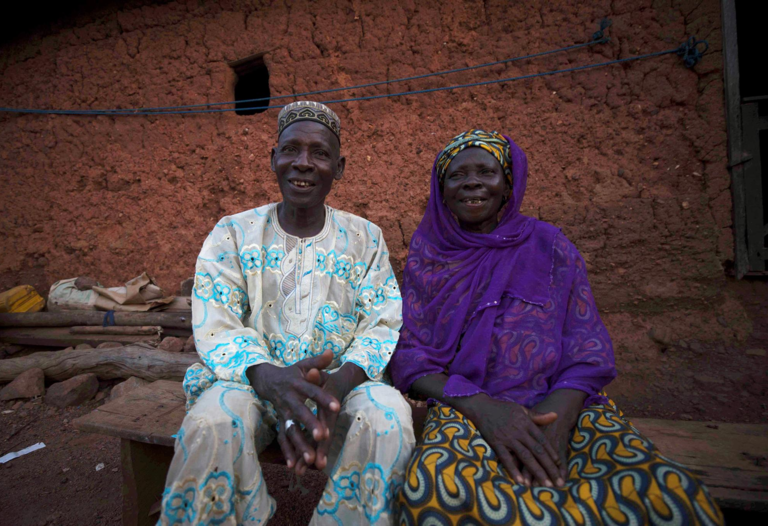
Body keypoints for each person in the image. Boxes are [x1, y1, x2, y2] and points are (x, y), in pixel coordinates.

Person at [390, 130, 724, 525]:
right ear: (441, 190)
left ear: (508, 185)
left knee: (664, 492)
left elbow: (587, 347)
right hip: (467, 410)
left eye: (487, 171)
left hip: (561, 404)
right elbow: (408, 358)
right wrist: (484, 409)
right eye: (457, 175)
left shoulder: (550, 246)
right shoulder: (428, 259)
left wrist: (558, 418)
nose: (473, 182)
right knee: (434, 494)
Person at [158, 101, 415, 526]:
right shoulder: (232, 232)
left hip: (342, 384)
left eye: (320, 153)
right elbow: (217, 320)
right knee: (211, 423)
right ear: (273, 158)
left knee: (388, 417)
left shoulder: (366, 237)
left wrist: (330, 392)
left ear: (340, 166)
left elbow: (383, 322)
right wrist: (270, 379)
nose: (304, 163)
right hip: (251, 380)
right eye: (291, 149)